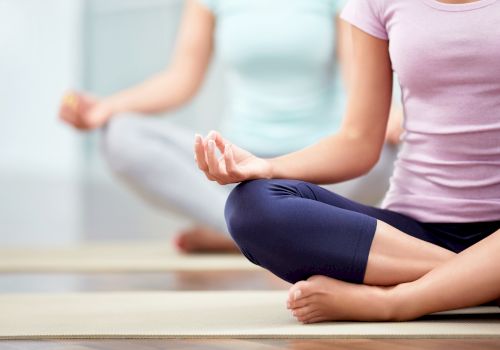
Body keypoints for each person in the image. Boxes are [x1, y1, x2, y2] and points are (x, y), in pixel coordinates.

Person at [194, 0, 500, 322]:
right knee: (251, 206)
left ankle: (397, 300)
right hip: (408, 239)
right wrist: (267, 167)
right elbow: (358, 143)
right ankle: (477, 281)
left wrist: (396, 301)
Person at [59, 0, 402, 253]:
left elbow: (358, 82)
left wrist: (399, 123)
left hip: (318, 167)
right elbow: (180, 80)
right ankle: (257, 229)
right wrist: (105, 109)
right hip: (237, 168)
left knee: (383, 154)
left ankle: (242, 229)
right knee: (122, 135)